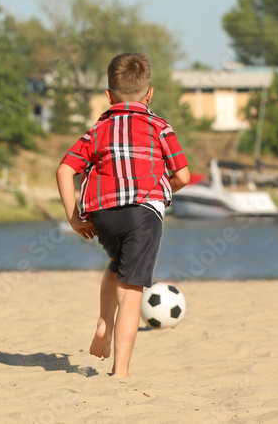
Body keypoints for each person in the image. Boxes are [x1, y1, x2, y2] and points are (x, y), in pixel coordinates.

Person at [56, 53, 189, 377]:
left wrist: (75, 218)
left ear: (108, 95)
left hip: (103, 215)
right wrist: (161, 188)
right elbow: (183, 175)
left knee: (116, 267)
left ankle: (104, 323)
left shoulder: (98, 130)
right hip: (142, 215)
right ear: (150, 93)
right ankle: (122, 371)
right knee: (131, 293)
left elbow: (65, 169)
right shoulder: (159, 126)